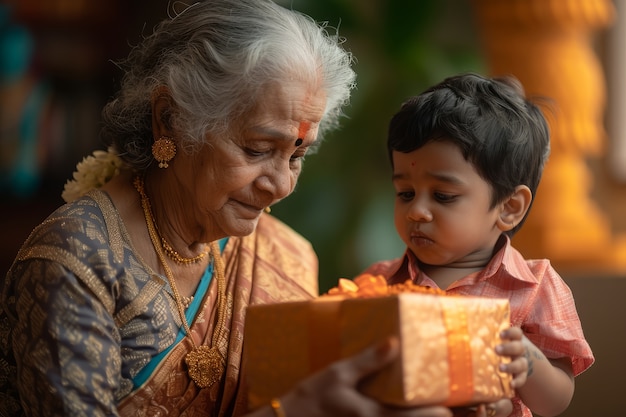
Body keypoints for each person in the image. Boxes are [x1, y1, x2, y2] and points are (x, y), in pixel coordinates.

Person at [0, 1, 462, 416]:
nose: (281, 185)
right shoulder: (77, 261)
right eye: (258, 148)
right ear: (171, 118)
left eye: (297, 156)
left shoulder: (285, 256)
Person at [362, 73, 595, 417]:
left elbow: (555, 402)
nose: (417, 211)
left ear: (508, 207)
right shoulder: (378, 285)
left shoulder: (535, 288)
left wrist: (526, 362)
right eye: (405, 193)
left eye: (443, 196)